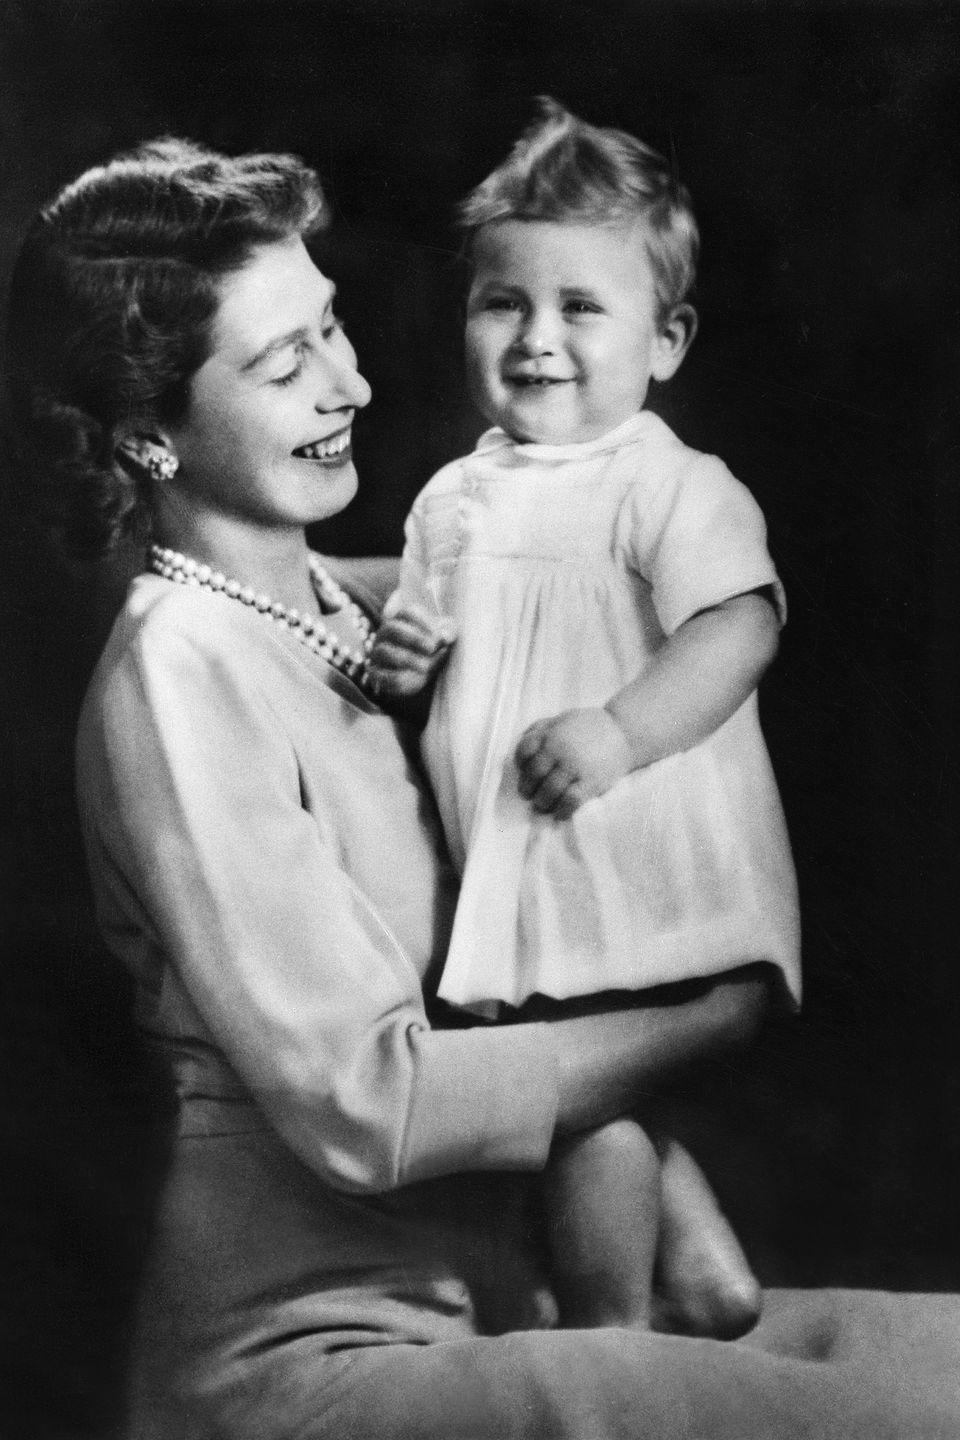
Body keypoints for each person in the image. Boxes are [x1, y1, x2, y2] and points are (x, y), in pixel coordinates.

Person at [9, 134, 958, 1440]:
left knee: (938, 1358)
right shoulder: (180, 674)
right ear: (149, 439)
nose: (350, 383)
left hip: (512, 1296)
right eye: (287, 366)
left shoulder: (341, 603)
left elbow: (590, 608)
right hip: (306, 1363)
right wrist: (712, 1020)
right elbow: (367, 1102)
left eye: (333, 329)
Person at [369, 98, 801, 1335]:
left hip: (630, 854)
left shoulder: (665, 482)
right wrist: (408, 654)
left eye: (581, 308)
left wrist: (620, 730)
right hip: (528, 868)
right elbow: (434, 641)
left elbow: (740, 627)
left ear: (666, 341)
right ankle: (707, 1279)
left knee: (577, 1098)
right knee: (596, 1085)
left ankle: (610, 1335)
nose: (537, 338)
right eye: (503, 301)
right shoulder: (453, 496)